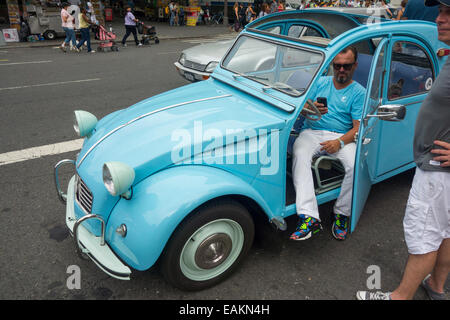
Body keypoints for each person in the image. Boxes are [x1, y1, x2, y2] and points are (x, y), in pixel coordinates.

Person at [356, 0, 450, 300]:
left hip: (437, 168)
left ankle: (398, 298)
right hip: (439, 167)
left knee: (424, 236)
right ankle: (435, 287)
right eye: (441, 11)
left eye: (449, 13)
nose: (439, 18)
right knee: (445, 233)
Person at [290, 46, 365, 241]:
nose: (341, 70)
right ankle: (308, 216)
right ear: (332, 65)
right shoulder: (320, 82)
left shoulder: (358, 92)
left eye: (346, 66)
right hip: (313, 131)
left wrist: (339, 142)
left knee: (354, 165)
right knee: (300, 153)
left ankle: (342, 213)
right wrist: (311, 108)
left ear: (355, 66)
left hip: (342, 135)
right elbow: (301, 107)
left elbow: (358, 128)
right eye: (338, 66)